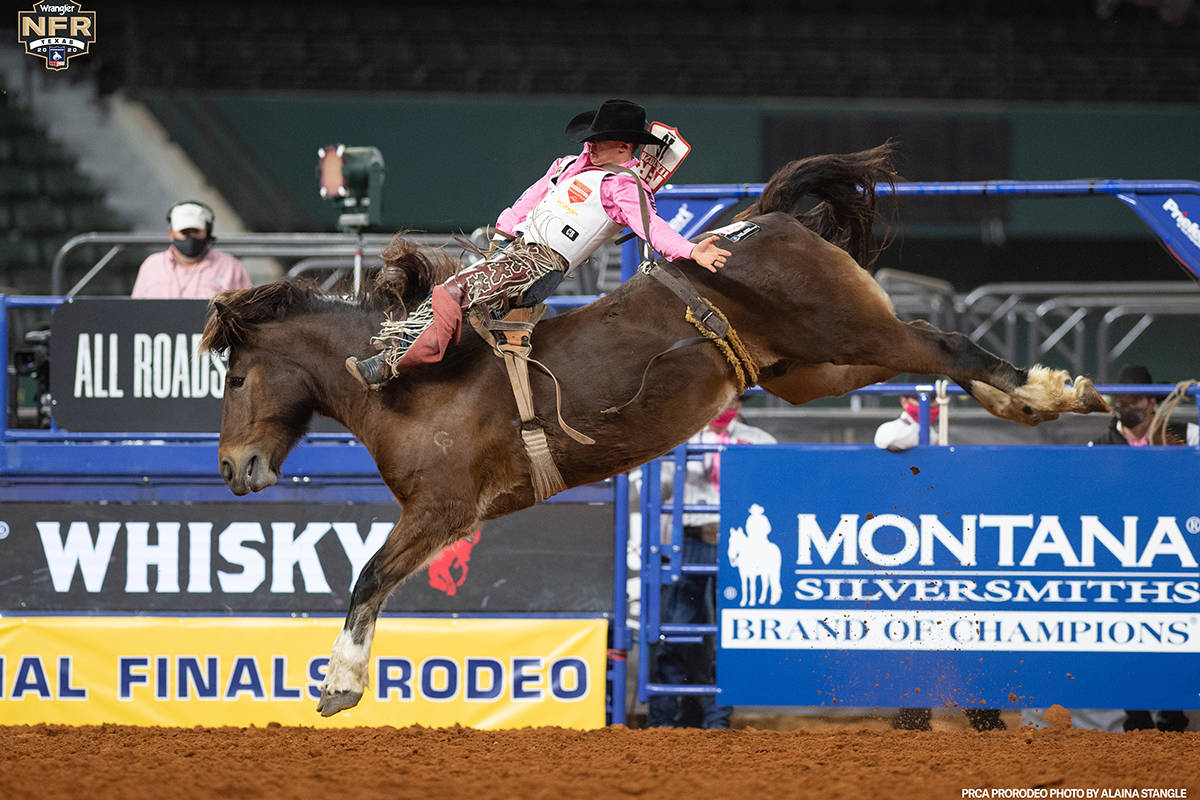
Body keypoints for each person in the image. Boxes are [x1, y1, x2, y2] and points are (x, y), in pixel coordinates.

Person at [345, 98, 732, 387]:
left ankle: (392, 364)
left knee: (451, 292)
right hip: (514, 253)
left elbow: (653, 229)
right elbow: (524, 205)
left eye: (600, 140)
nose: (591, 146)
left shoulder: (624, 186)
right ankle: (406, 354)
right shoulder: (565, 167)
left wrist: (691, 249)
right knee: (444, 297)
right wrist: (501, 237)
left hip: (540, 264)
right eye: (592, 139)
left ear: (624, 146)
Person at [648, 394, 776, 729]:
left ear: (741, 405)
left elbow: (774, 490)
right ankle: (664, 719)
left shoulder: (760, 442)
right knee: (678, 630)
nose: (726, 409)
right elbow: (649, 489)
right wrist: (673, 469)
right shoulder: (678, 437)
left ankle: (717, 719)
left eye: (734, 402)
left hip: (738, 543)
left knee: (729, 633)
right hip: (688, 540)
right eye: (721, 401)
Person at [1090, 364, 1189, 732]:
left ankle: (1172, 714)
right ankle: (1136, 716)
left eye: (1132, 398)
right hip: (1121, 553)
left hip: (1176, 552)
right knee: (1125, 632)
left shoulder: (1186, 438)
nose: (1124, 405)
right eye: (1119, 399)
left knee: (1175, 630)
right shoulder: (1098, 446)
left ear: (1151, 401)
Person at [131, 201, 251, 299]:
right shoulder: (152, 266)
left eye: (196, 231)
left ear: (207, 232)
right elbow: (137, 310)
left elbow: (247, 314)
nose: (190, 237)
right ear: (171, 233)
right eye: (184, 232)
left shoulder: (231, 267)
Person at [1089, 364, 1188, 447]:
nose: (1128, 407)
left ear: (1151, 403)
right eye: (1122, 401)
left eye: (1135, 400)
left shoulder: (1186, 435)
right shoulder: (1098, 446)